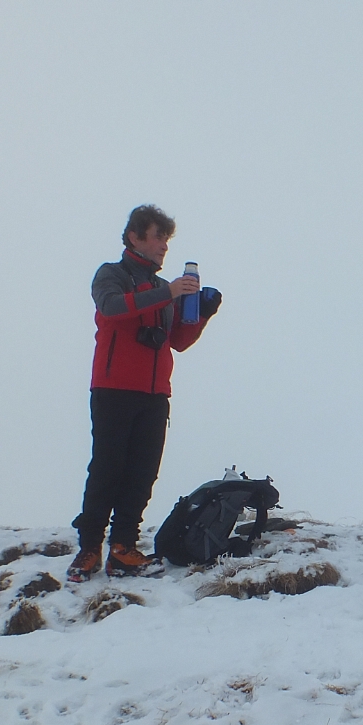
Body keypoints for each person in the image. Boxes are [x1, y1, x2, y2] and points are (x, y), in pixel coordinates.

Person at [68, 204, 222, 581]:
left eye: (167, 240)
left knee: (142, 473)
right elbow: (112, 306)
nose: (164, 247)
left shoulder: (160, 288)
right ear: (135, 237)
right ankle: (89, 548)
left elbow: (176, 342)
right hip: (114, 387)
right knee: (106, 469)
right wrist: (169, 292)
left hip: (155, 393)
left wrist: (202, 313)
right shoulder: (113, 274)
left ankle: (122, 547)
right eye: (158, 237)